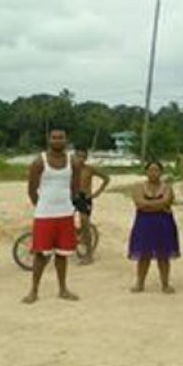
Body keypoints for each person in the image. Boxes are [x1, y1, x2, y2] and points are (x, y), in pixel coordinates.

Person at [22, 128, 82, 304]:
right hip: (45, 215)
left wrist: (69, 206)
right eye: (54, 138)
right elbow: (32, 190)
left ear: (66, 140)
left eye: (60, 138)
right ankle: (33, 291)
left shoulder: (74, 162)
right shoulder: (39, 162)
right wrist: (42, 206)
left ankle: (63, 289)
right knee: (41, 254)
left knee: (63, 254)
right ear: (49, 140)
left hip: (65, 214)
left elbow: (76, 188)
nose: (57, 141)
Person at [128, 161, 180, 293]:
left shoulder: (167, 187)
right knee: (143, 254)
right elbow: (139, 203)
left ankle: (165, 283)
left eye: (156, 170)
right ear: (146, 172)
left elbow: (167, 201)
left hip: (163, 224)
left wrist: (148, 205)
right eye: (150, 170)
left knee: (164, 254)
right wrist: (159, 205)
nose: (153, 173)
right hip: (144, 224)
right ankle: (140, 283)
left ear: (161, 172)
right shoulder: (138, 187)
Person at [73, 146, 111, 265]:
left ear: (86, 158)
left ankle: (89, 255)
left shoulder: (89, 169)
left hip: (85, 198)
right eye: (78, 156)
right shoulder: (70, 169)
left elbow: (106, 178)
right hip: (72, 197)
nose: (80, 159)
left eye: (83, 156)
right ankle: (76, 237)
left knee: (85, 222)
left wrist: (98, 192)